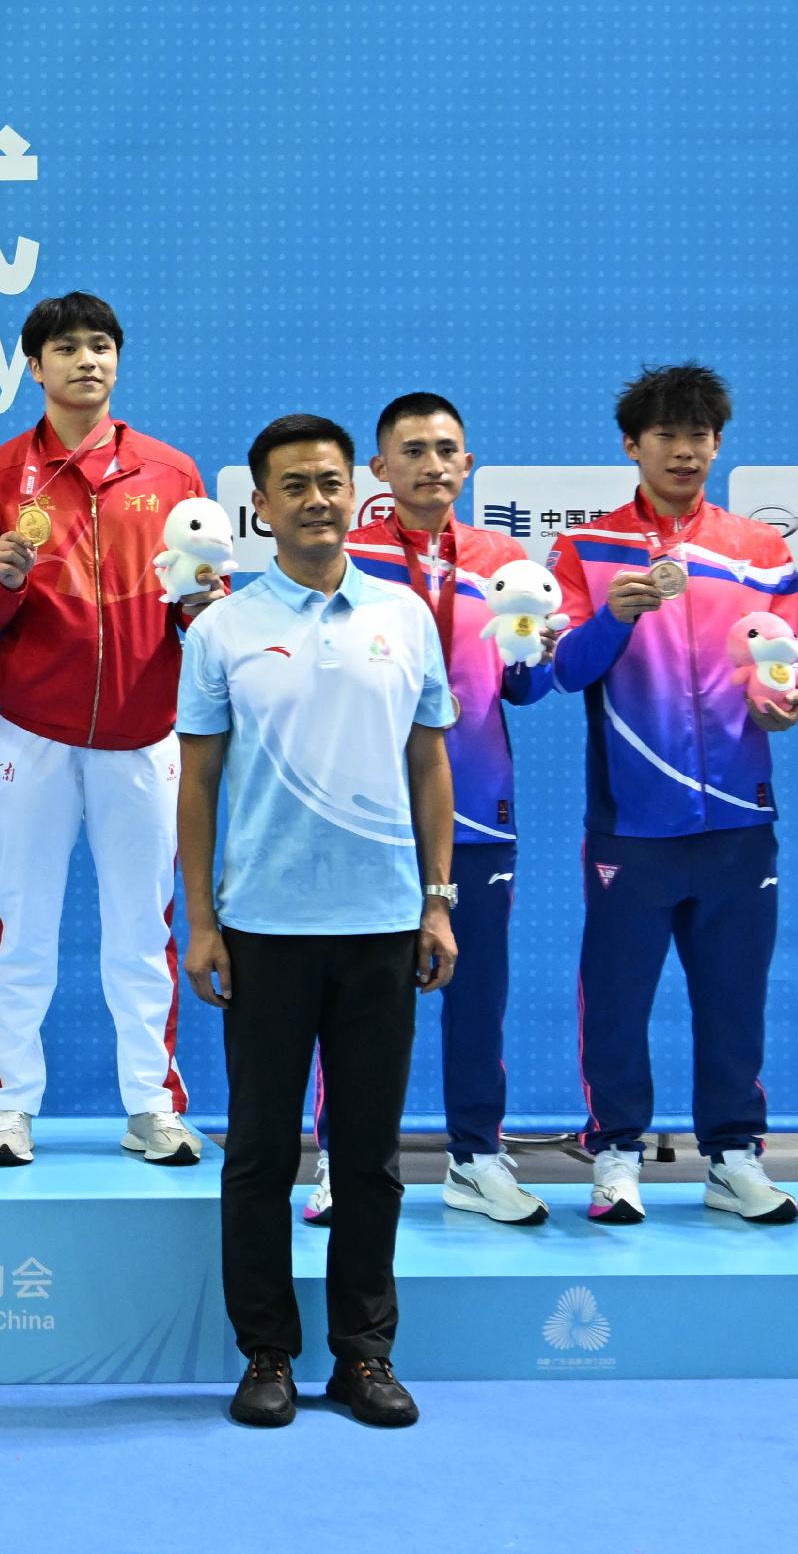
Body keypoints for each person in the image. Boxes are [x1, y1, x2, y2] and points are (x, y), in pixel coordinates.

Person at [179, 415, 453, 1433]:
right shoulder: (222, 629)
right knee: (257, 1151)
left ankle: (364, 1352)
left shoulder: (404, 616)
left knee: (370, 1153)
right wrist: (201, 919)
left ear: (356, 491)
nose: (315, 499)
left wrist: (437, 896)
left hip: (382, 921)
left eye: (330, 481)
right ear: (260, 506)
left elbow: (430, 761)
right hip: (261, 929)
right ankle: (265, 1352)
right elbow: (197, 781)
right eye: (292, 485)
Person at [0, 292, 219, 1166]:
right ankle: (10, 1106)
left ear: (118, 358)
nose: (86, 361)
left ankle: (150, 1102)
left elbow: (196, 609)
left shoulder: (171, 473)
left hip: (144, 734)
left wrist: (203, 606)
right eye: (65, 348)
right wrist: (4, 579)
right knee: (21, 923)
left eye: (101, 345)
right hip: (32, 732)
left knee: (142, 926)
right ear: (34, 366)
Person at [550, 363, 798, 1225]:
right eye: (666, 434)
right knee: (618, 996)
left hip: (740, 820)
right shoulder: (586, 548)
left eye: (699, 435)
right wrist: (611, 618)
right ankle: (615, 1154)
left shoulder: (763, 551)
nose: (685, 450)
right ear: (631, 444)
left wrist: (787, 700)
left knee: (734, 998)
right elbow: (562, 669)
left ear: (718, 443)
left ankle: (733, 1157)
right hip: (633, 824)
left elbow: (788, 672)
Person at [321, 392, 556, 1227]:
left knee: (476, 992)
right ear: (378, 469)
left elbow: (526, 687)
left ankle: (475, 1157)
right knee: (352, 997)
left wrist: (539, 656)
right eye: (412, 450)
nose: (432, 464)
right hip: (366, 813)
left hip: (480, 810)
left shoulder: (502, 555)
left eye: (447, 449)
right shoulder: (342, 557)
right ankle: (342, 1163)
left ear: (468, 462)